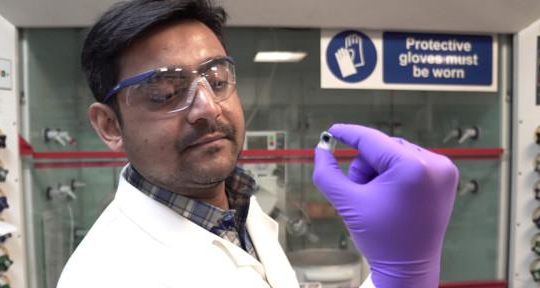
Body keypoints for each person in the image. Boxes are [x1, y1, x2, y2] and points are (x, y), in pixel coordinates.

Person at [57, 0, 458, 287]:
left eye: (216, 80)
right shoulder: (103, 275)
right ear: (109, 126)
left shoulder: (238, 207)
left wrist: (399, 269)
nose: (207, 108)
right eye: (164, 92)